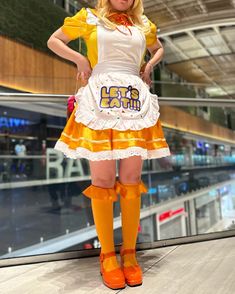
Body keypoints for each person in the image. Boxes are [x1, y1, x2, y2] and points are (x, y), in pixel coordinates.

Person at [47, 0, 171, 290]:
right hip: (99, 98)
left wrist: (149, 65)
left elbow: (159, 47)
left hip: (133, 99)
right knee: (102, 181)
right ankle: (107, 256)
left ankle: (129, 254)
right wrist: (80, 61)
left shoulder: (145, 24)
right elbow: (54, 40)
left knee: (131, 179)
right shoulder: (88, 17)